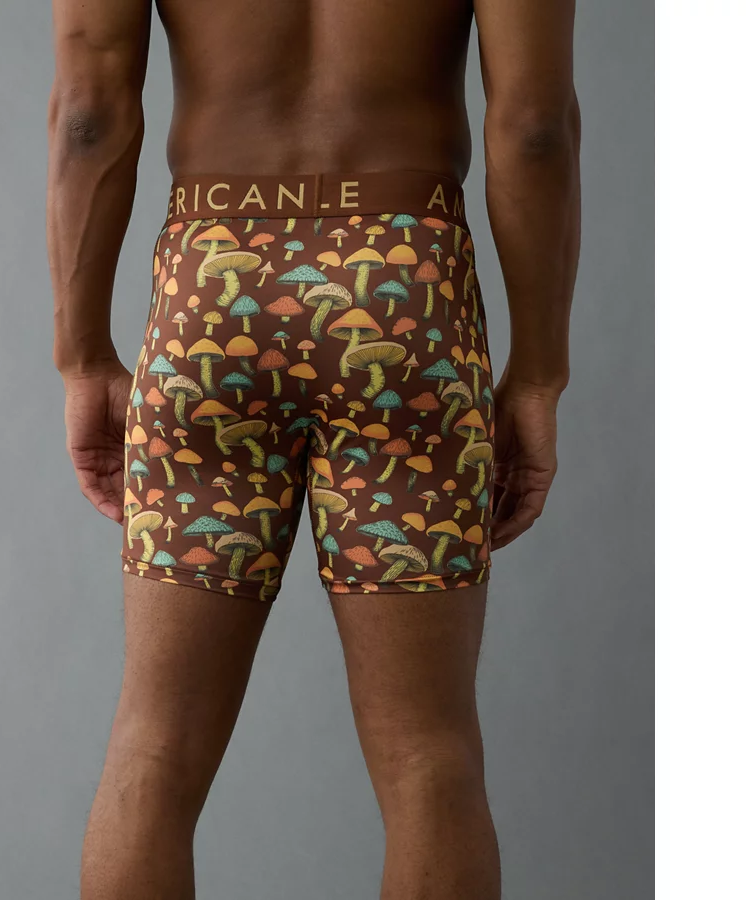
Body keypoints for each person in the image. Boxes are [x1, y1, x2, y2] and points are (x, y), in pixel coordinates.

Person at [47, 0, 580, 896]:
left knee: (155, 745)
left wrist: (82, 356)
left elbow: (88, 112)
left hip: (213, 294)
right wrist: (538, 373)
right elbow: (534, 126)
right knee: (429, 756)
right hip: (406, 289)